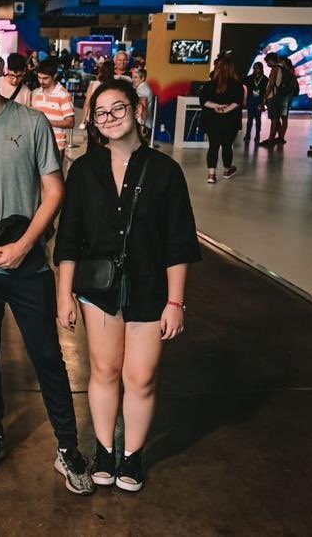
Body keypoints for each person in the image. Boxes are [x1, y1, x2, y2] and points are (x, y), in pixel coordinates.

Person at [0, 32, 94, 495]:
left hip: (28, 267)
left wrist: (26, 244)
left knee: (48, 356)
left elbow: (54, 191)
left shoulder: (32, 123)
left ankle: (68, 447)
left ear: (0, 67)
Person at [54, 78, 201, 494]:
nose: (110, 118)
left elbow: (178, 242)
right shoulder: (84, 170)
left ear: (137, 109)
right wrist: (64, 294)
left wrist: (176, 302)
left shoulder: (165, 171)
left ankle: (132, 455)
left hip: (151, 288)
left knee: (141, 377)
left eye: (118, 108)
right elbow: (69, 238)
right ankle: (104, 452)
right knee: (104, 370)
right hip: (99, 290)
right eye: (101, 113)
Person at [199, 57, 245, 184]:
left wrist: (216, 106)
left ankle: (211, 175)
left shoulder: (209, 85)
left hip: (212, 120)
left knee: (213, 147)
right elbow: (237, 102)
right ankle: (227, 170)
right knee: (227, 146)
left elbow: (203, 101)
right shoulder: (237, 85)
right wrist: (225, 109)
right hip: (230, 121)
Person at [29, 59, 76, 158]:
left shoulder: (63, 95)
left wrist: (46, 122)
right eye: (39, 77)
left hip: (56, 146)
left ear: (54, 76)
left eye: (45, 78)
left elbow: (70, 123)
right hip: (38, 145)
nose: (41, 81)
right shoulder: (36, 93)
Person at [259, 53, 288, 147]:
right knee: (276, 118)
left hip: (273, 96)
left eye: (267, 62)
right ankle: (278, 137)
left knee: (274, 118)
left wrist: (265, 97)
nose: (267, 64)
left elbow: (271, 84)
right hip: (279, 96)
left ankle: (271, 139)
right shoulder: (282, 68)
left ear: (271, 60)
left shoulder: (275, 68)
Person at [242, 62, 267, 143]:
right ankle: (247, 134)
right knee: (250, 118)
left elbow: (266, 92)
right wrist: (245, 99)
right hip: (251, 99)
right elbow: (244, 87)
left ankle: (257, 134)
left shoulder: (265, 79)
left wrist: (264, 102)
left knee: (258, 118)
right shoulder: (249, 78)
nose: (256, 69)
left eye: (257, 68)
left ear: (261, 69)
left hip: (259, 100)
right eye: (254, 68)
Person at [131, 67, 154, 138]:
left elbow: (143, 107)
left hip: (142, 125)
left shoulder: (142, 90)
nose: (133, 80)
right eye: (133, 77)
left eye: (136, 77)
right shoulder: (142, 87)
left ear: (142, 78)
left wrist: (142, 125)